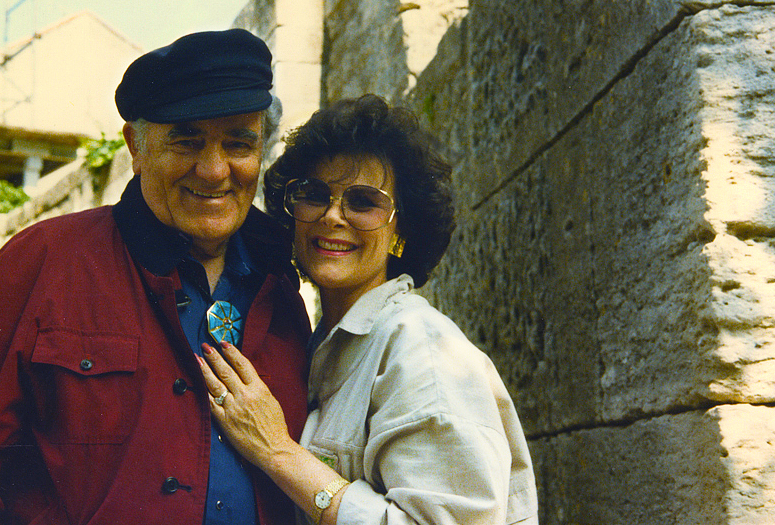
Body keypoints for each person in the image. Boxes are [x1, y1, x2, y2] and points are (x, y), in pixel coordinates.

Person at [0, 29, 311, 525]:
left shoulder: (285, 285)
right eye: (186, 141)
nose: (213, 169)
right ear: (135, 147)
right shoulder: (40, 265)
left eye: (239, 143)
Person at [198, 94, 538, 525]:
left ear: (402, 230)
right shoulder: (324, 344)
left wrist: (277, 451)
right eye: (314, 195)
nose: (332, 216)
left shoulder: (421, 348)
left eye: (363, 202)